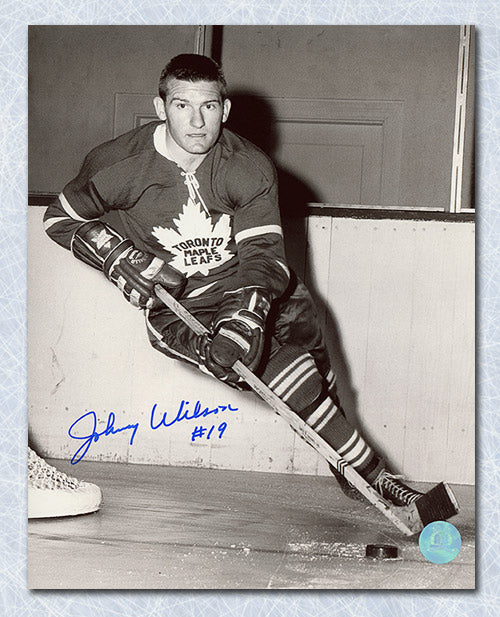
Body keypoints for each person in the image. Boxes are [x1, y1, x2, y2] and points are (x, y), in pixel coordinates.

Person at [42, 53, 427, 510]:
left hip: (266, 291)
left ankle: (348, 468)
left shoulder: (247, 165)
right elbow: (58, 219)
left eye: (208, 106)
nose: (197, 122)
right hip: (185, 309)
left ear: (224, 109)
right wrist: (115, 256)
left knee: (320, 381)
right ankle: (377, 476)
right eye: (182, 105)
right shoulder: (117, 165)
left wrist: (245, 316)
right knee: (292, 377)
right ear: (160, 107)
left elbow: (262, 255)